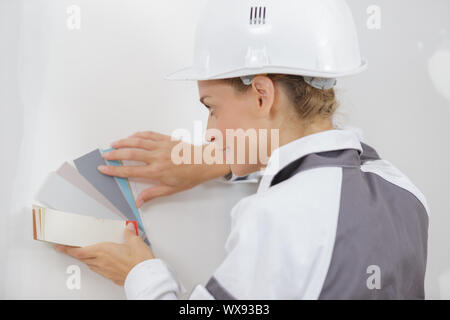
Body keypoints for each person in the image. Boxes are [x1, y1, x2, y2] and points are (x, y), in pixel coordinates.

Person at [54, 0, 429, 299]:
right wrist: (219, 161)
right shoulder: (405, 193)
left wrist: (139, 272)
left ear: (262, 94)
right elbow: (337, 164)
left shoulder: (274, 218)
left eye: (212, 108)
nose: (209, 132)